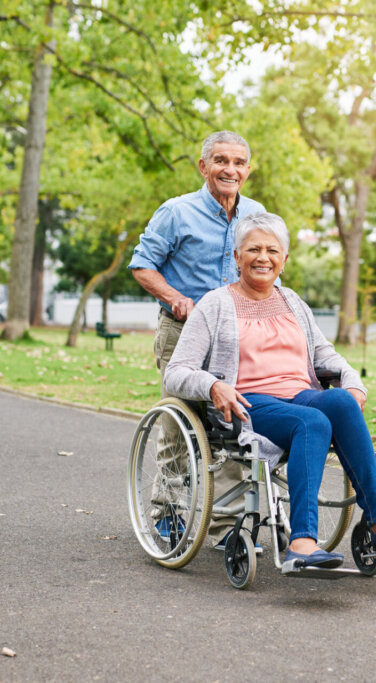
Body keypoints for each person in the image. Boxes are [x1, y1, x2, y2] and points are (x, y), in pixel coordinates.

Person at [163, 212, 376, 568]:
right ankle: (302, 542)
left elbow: (324, 354)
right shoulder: (215, 305)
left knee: (341, 403)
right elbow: (175, 373)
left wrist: (353, 382)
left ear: (284, 259)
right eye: (253, 249)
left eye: (272, 250)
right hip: (248, 403)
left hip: (300, 394)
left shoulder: (293, 302)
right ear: (236, 257)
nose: (263, 257)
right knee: (312, 422)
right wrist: (212, 385)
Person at [129, 131, 265, 547]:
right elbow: (142, 265)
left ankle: (226, 526)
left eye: (239, 162)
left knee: (230, 423)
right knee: (180, 426)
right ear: (203, 167)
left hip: (234, 336)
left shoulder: (256, 215)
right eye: (221, 161)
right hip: (182, 331)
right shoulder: (177, 212)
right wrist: (176, 298)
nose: (231, 169)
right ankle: (167, 511)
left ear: (247, 170)